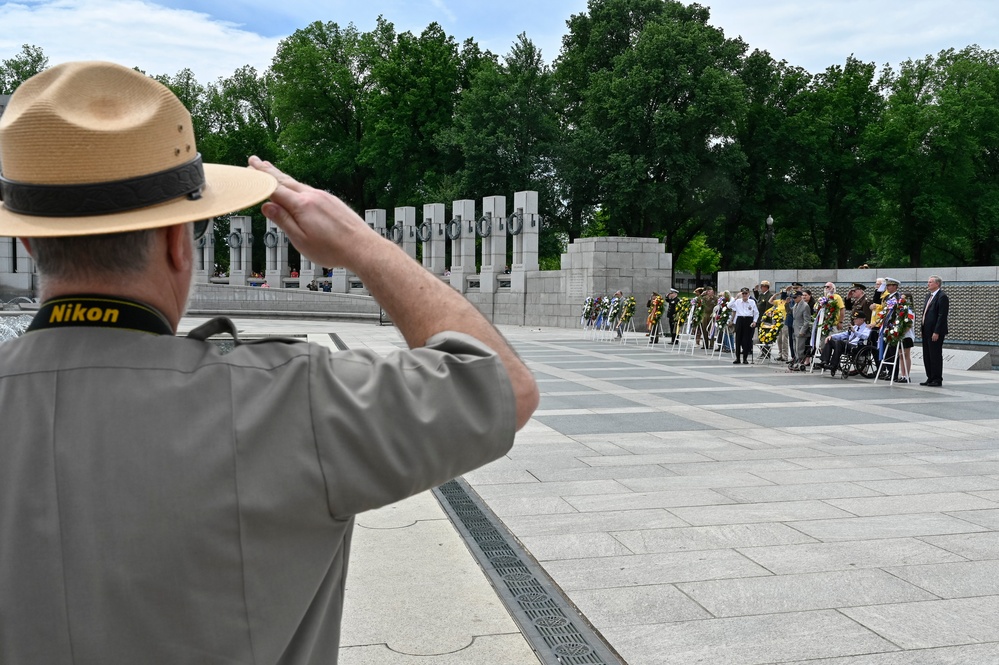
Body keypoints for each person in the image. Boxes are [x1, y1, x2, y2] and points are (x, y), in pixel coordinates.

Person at [0, 61, 539, 665]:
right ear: (180, 241)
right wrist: (363, 245)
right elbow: (503, 384)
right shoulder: (288, 401)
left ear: (27, 239)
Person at [920, 275, 949, 386]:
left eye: (930, 282)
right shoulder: (928, 296)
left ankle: (937, 379)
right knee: (927, 355)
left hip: (935, 332)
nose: (928, 284)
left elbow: (942, 316)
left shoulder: (942, 297)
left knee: (935, 355)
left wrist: (936, 331)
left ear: (937, 284)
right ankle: (930, 377)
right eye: (928, 282)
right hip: (926, 330)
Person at [727, 287, 759, 364]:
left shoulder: (752, 302)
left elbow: (756, 312)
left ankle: (745, 358)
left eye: (746, 293)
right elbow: (729, 306)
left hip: (748, 320)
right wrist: (736, 297)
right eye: (743, 293)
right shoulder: (737, 301)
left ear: (748, 294)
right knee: (738, 339)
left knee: (746, 340)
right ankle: (737, 358)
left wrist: (754, 321)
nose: (744, 295)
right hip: (740, 320)